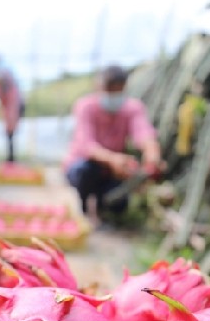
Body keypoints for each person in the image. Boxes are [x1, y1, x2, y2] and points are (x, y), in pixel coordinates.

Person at [63, 65, 163, 222]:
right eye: (109, 90)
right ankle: (83, 207)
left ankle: (103, 209)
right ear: (98, 87)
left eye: (118, 91)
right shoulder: (85, 107)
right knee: (85, 170)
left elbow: (144, 134)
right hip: (85, 165)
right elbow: (86, 145)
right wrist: (113, 159)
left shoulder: (133, 108)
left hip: (112, 172)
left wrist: (152, 156)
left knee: (119, 203)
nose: (114, 95)